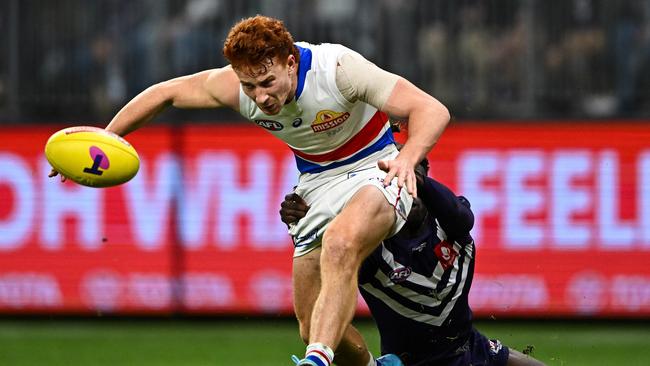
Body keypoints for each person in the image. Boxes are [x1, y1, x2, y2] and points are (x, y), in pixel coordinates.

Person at [49, 15, 450, 366]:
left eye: (267, 82)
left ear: (290, 62)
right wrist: (102, 139)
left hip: (376, 166)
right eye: (249, 86)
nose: (260, 97)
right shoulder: (236, 87)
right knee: (311, 325)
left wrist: (406, 159)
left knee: (340, 245)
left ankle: (314, 363)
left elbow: (432, 110)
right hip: (317, 184)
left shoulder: (339, 68)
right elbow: (164, 93)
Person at [280, 153, 546, 366]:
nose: (405, 187)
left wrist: (411, 171)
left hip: (468, 348)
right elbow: (328, 266)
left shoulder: (447, 219)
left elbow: (463, 218)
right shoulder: (369, 249)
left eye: (411, 177)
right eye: (394, 179)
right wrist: (308, 223)